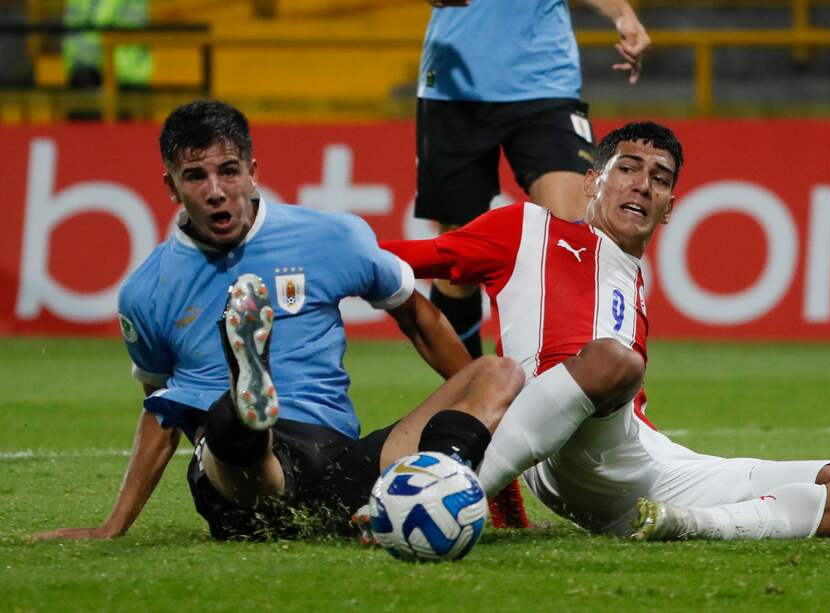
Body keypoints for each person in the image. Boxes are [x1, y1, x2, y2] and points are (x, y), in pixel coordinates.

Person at [33, 100, 524, 541]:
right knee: (231, 427)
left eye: (228, 172)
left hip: (338, 463)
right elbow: (162, 414)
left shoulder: (331, 237)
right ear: (171, 186)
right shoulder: (147, 291)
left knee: (497, 373)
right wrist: (111, 526)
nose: (216, 191)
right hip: (239, 482)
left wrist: (463, 396)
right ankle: (250, 409)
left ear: (251, 171)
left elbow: (417, 314)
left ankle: (413, 491)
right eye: (195, 177)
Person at [383, 121, 830, 540]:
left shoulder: (632, 284)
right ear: (591, 182)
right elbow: (395, 260)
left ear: (669, 207)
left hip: (637, 465)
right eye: (627, 168)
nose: (643, 184)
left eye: (660, 178)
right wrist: (315, 248)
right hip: (561, 443)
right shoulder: (528, 230)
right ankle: (452, 495)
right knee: (615, 360)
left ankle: (687, 526)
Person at [415, 0, 650, 361]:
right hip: (453, 89)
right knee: (457, 262)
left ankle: (572, 383)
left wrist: (623, 13)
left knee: (574, 233)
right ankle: (469, 393)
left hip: (546, 85)